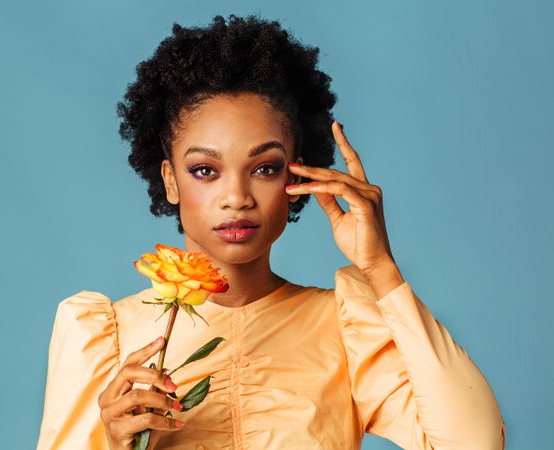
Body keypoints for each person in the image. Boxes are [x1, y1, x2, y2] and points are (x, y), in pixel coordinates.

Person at [36, 14, 505, 450]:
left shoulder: (345, 326)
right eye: (205, 170)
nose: (236, 196)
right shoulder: (105, 338)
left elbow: (476, 444)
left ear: (297, 178)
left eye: (264, 167)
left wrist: (380, 268)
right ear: (170, 181)